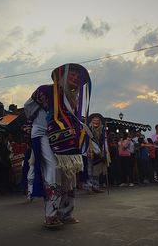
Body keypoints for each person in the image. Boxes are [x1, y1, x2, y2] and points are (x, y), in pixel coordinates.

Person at [24, 63, 91, 228]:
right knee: (53, 169)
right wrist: (39, 121)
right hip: (43, 135)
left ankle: (66, 213)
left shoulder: (73, 100)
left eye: (78, 76)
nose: (75, 78)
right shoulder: (45, 91)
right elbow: (28, 107)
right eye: (71, 74)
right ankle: (51, 215)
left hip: (64, 139)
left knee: (69, 172)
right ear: (62, 76)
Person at [84, 113, 110, 193]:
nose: (96, 121)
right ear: (91, 121)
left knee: (96, 169)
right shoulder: (87, 128)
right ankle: (89, 187)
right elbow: (87, 141)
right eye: (94, 120)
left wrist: (105, 151)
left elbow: (104, 140)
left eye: (98, 120)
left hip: (99, 152)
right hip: (89, 151)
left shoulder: (102, 129)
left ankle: (96, 186)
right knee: (89, 169)